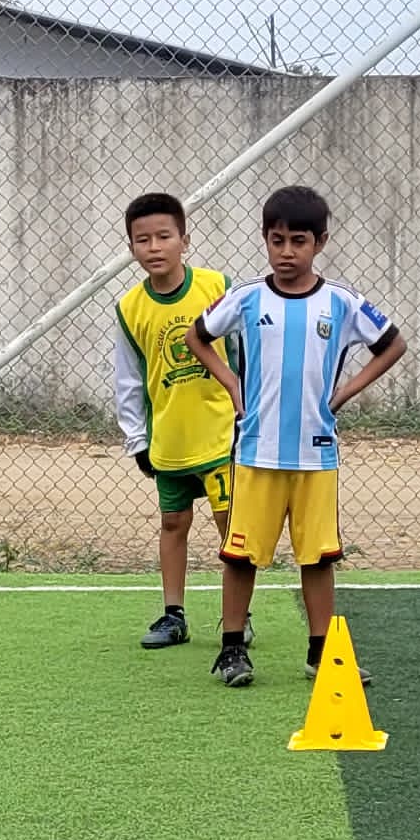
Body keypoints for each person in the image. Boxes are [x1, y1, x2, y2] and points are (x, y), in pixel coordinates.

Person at [181, 185, 405, 689]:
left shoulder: (341, 302)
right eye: (276, 240)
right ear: (265, 239)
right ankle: (232, 649)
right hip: (256, 450)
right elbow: (198, 335)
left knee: (318, 556)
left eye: (298, 241)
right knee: (241, 555)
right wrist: (230, 382)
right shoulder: (246, 297)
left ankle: (321, 653)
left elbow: (393, 344)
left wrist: (345, 392)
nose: (286, 252)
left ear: (320, 242)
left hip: (315, 454)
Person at [109, 191, 235, 649]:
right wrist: (137, 439)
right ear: (131, 248)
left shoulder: (217, 287)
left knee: (230, 526)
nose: (154, 247)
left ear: (185, 239)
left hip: (222, 435)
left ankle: (237, 617)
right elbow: (128, 379)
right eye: (143, 240)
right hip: (170, 440)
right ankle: (173, 615)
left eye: (164, 236)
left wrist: (251, 414)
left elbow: (245, 352)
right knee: (173, 524)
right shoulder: (129, 308)